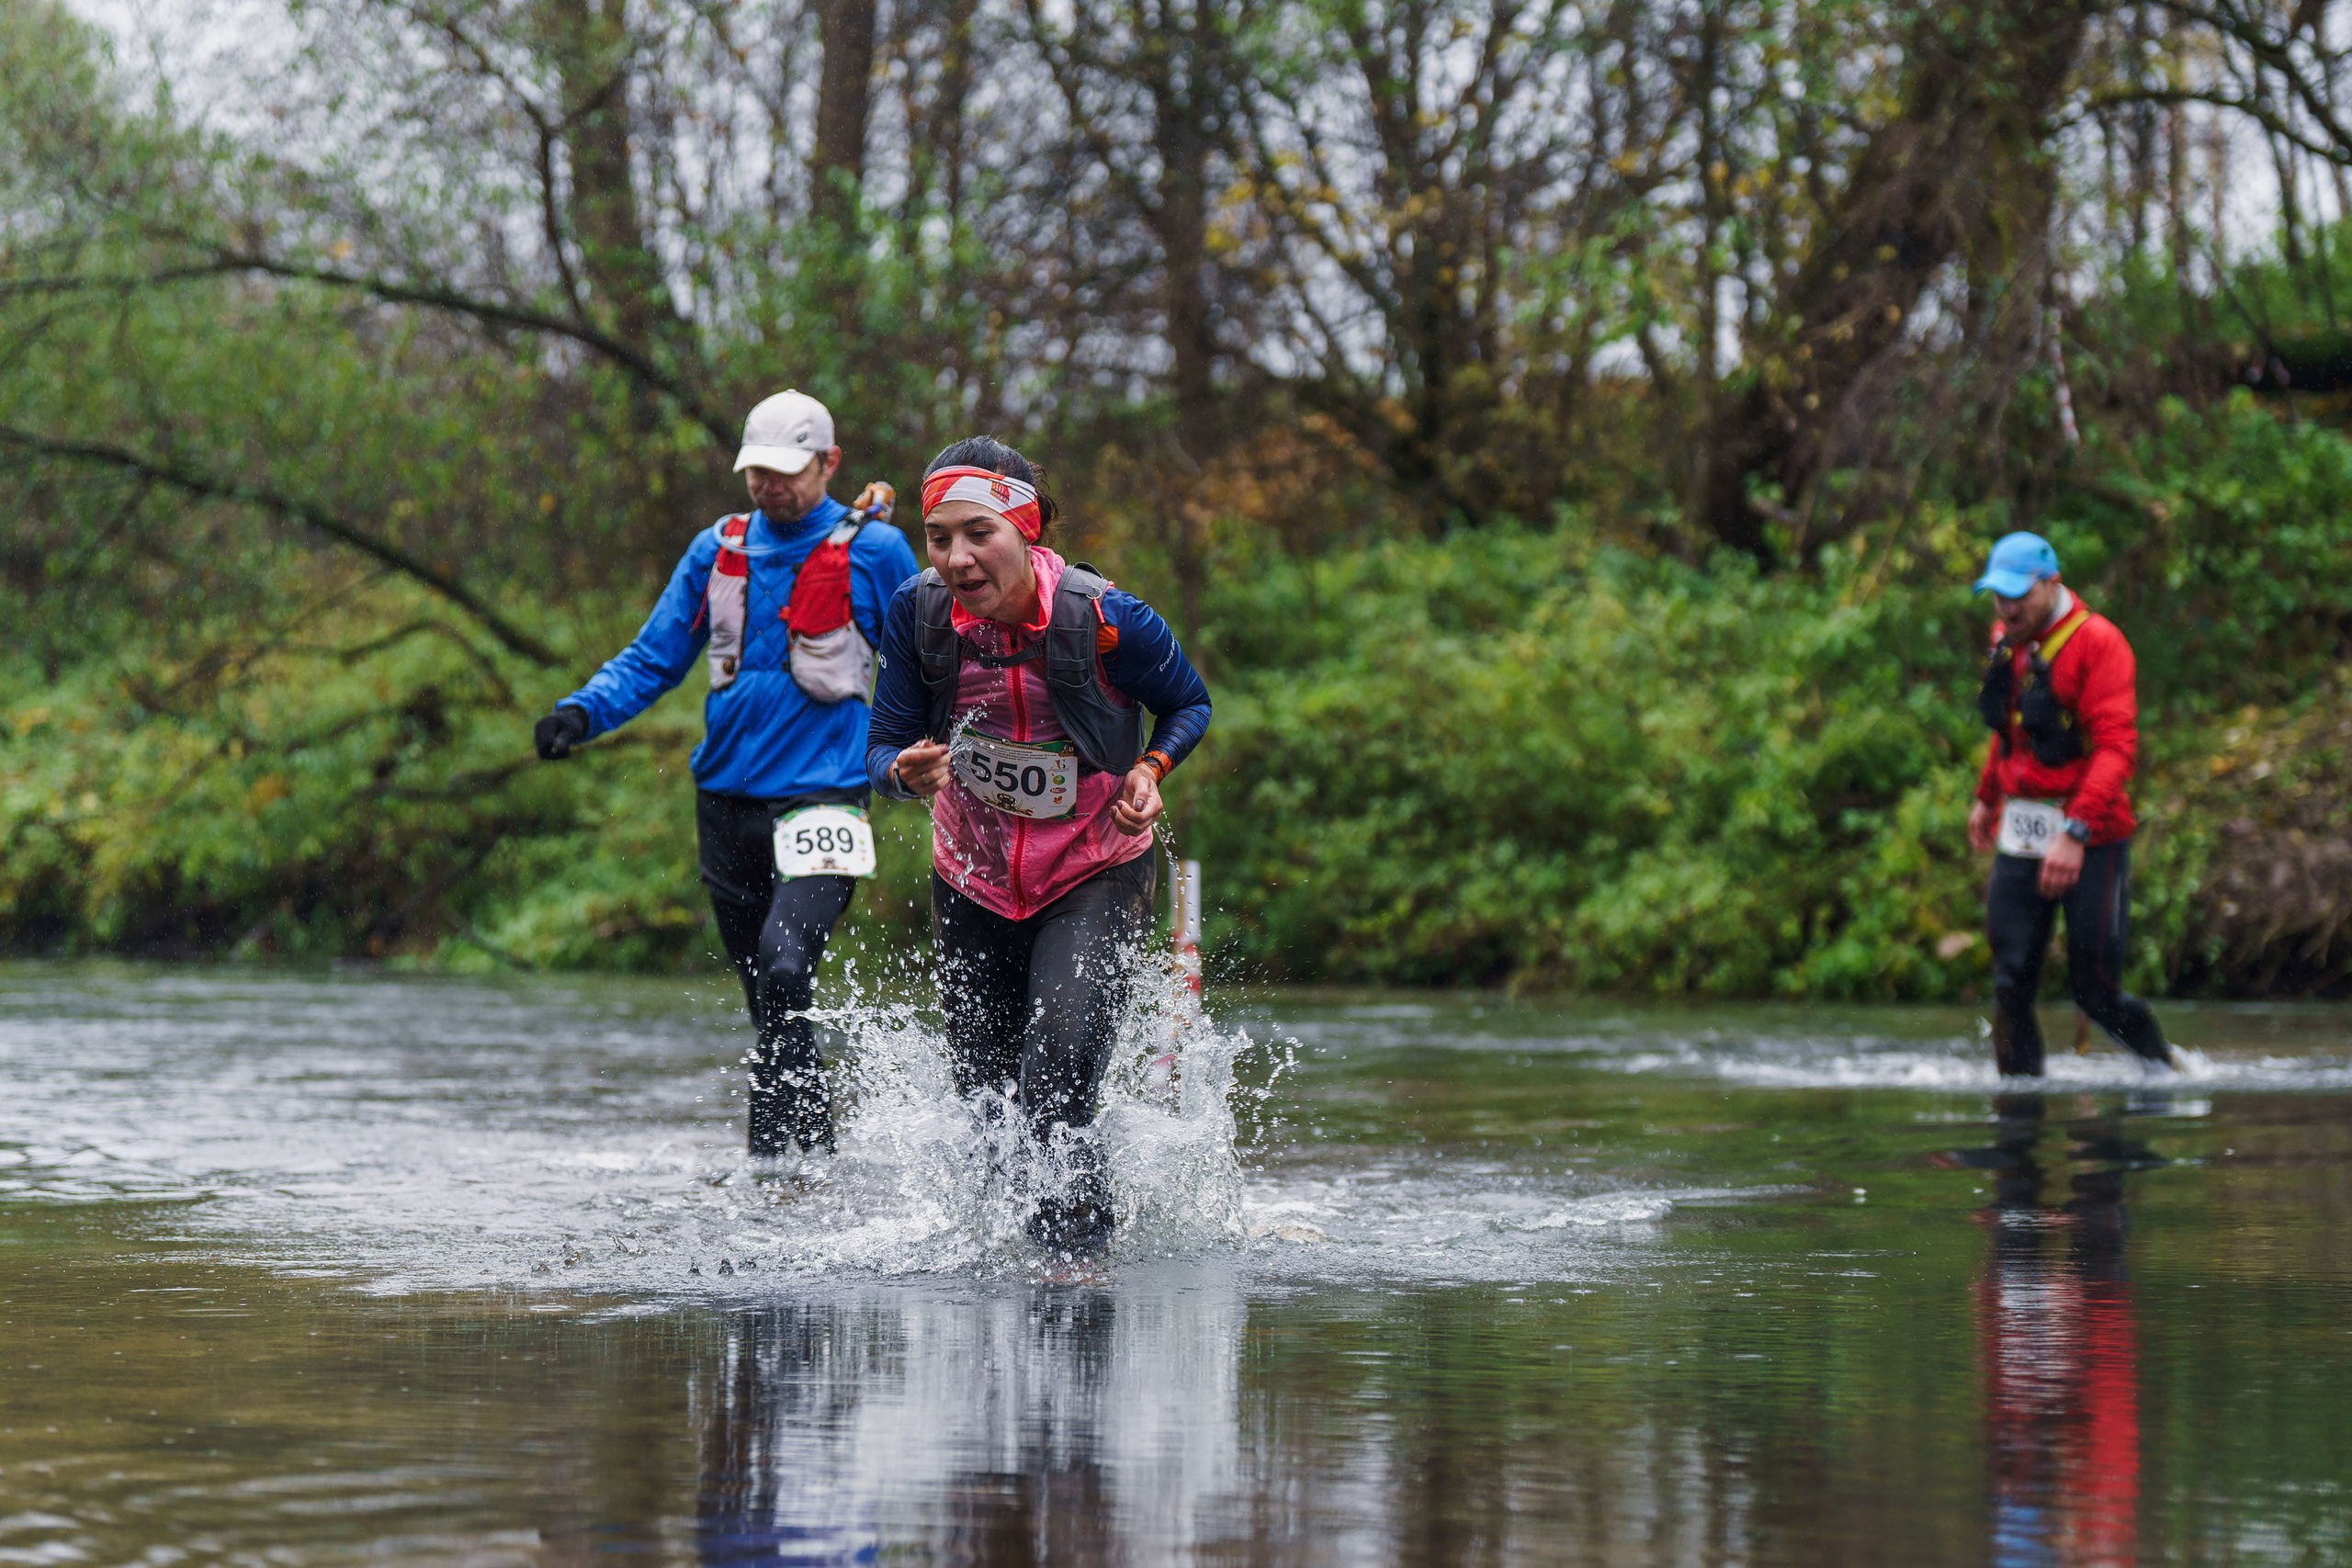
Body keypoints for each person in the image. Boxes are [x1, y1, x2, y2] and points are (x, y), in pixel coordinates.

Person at [531, 390, 920, 1159]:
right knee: (770, 1002)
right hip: (726, 803)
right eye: (757, 472)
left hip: (826, 798)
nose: (769, 486)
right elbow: (652, 657)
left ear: (828, 462)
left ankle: (791, 1164)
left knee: (785, 963)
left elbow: (930, 661)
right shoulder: (718, 549)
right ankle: (793, 1176)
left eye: (785, 471)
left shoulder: (877, 552)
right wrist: (581, 712)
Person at [865, 436, 1212, 1254]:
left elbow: (1189, 703)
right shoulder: (917, 615)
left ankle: (1075, 1268)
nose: (955, 557)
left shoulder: (1105, 619)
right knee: (986, 1102)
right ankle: (999, 1268)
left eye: (977, 533)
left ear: (1027, 530)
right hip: (973, 876)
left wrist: (1150, 769)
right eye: (939, 536)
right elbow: (881, 745)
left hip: (1093, 870)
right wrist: (900, 774)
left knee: (1059, 1074)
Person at [1965, 531, 2174, 1077]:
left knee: (2095, 991)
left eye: (2019, 596)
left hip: (2093, 835)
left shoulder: (2099, 643)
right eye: (1999, 596)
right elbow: (2011, 733)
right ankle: (2016, 1117)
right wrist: (1987, 798)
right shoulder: (2006, 639)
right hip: (2022, 827)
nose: (2008, 608)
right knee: (2010, 983)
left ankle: (2167, 1072)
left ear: (2051, 584)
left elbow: (2116, 749)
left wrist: (2074, 831)